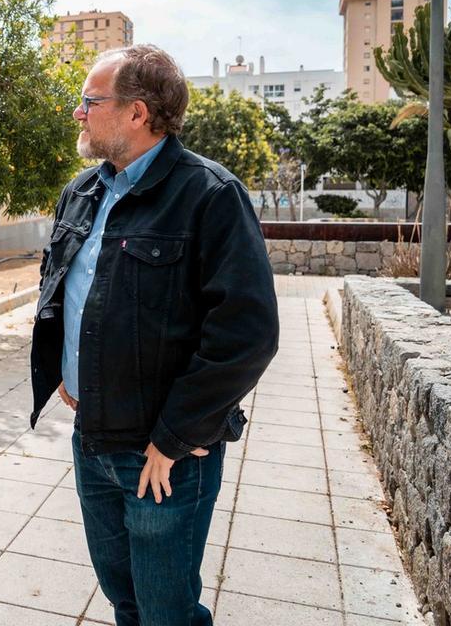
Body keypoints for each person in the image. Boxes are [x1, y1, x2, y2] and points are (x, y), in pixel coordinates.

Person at [29, 45, 278, 626]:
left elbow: (247, 334)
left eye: (90, 101)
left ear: (137, 113)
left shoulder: (210, 195)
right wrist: (69, 371)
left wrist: (173, 437)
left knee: (165, 612)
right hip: (92, 435)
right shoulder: (82, 190)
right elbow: (65, 286)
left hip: (162, 454)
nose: (78, 113)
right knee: (125, 599)